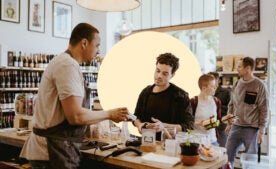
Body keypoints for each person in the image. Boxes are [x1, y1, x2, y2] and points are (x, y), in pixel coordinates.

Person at [20, 23, 129, 169]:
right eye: (97, 45)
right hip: (51, 153)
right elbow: (76, 116)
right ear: (84, 43)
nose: (98, 51)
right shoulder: (67, 65)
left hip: (55, 149)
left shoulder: (64, 62)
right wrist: (110, 114)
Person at [133, 53, 194, 140]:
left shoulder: (181, 96)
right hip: (146, 142)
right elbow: (136, 117)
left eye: (165, 74)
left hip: (170, 145)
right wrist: (139, 125)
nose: (159, 76)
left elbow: (189, 127)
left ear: (172, 75)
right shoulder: (146, 92)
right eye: (157, 71)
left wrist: (164, 126)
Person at [225, 57, 268, 167]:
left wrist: (262, 131)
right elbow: (231, 104)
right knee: (227, 157)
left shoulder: (260, 85)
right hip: (236, 126)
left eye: (239, 66)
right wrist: (229, 123)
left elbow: (264, 109)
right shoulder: (237, 84)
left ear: (248, 68)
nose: (237, 69)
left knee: (250, 161)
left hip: (251, 128)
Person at [190, 74, 221, 146]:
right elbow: (187, 122)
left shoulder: (217, 101)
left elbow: (219, 120)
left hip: (212, 141)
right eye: (213, 86)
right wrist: (200, 124)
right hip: (196, 141)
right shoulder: (193, 101)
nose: (215, 88)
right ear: (204, 88)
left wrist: (214, 123)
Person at [208, 72, 231, 147]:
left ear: (218, 80)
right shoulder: (207, 92)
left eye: (213, 78)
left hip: (221, 126)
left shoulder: (226, 92)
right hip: (209, 125)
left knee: (222, 148)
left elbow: (231, 108)